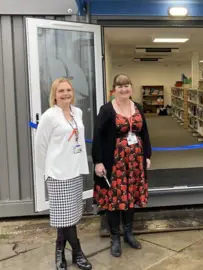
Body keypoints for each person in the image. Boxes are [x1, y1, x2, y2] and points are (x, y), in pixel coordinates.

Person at [34, 78, 92, 270]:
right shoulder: (49, 116)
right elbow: (40, 146)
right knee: (64, 217)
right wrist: (47, 170)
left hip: (74, 171)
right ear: (54, 94)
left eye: (68, 90)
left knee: (70, 216)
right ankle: (77, 251)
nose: (66, 94)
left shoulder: (78, 112)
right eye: (61, 91)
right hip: (58, 174)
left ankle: (60, 250)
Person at [92, 73, 152, 257]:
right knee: (114, 201)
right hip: (115, 163)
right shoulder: (107, 110)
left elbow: (144, 133)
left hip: (135, 161)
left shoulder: (138, 107)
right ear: (114, 89)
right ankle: (115, 238)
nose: (124, 89)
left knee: (131, 197)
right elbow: (98, 137)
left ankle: (128, 233)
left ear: (131, 88)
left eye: (126, 85)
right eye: (120, 86)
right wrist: (98, 161)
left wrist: (147, 155)